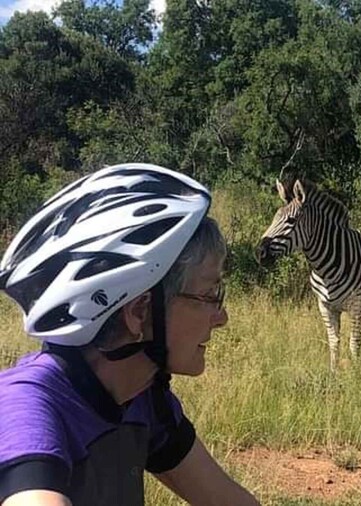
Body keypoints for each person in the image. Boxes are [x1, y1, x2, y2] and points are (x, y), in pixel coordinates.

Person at [0, 163, 260, 506]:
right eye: (210, 295)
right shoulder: (26, 407)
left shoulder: (142, 401)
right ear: (139, 312)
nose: (222, 317)